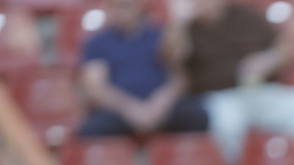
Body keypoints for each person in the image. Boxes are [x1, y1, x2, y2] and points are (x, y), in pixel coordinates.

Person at [162, 0, 294, 163]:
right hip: (219, 97)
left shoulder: (246, 16)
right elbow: (172, 57)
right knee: (227, 125)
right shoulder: (185, 27)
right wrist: (178, 21)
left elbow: (284, 46)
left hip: (261, 90)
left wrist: (268, 59)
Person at [78, 0, 208, 138]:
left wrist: (158, 105)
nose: (121, 10)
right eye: (115, 5)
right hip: (120, 111)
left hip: (160, 108)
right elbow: (96, 87)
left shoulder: (163, 35)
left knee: (197, 116)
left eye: (125, 5)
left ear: (140, 5)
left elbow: (178, 78)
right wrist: (132, 110)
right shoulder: (97, 42)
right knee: (91, 130)